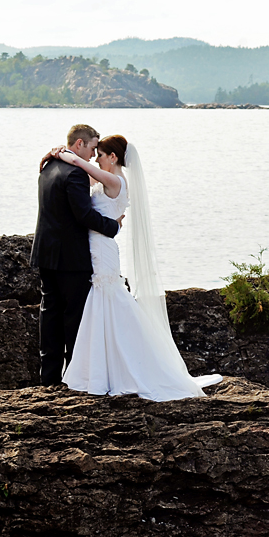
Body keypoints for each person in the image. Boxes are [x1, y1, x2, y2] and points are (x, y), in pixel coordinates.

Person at [46, 134, 221, 401]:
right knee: (103, 304)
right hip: (94, 247)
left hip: (102, 249)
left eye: (100, 154)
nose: (96, 158)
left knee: (107, 300)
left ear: (112, 157)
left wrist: (60, 152)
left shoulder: (114, 180)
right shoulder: (106, 179)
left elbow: (83, 167)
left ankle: (114, 370)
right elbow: (83, 179)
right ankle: (103, 369)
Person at [32, 124, 122, 385]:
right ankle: (74, 376)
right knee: (74, 317)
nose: (94, 154)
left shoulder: (48, 166)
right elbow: (82, 215)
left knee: (49, 313)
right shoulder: (75, 174)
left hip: (45, 252)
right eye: (93, 147)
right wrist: (112, 226)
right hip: (71, 257)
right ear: (80, 144)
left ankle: (48, 377)